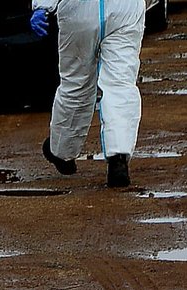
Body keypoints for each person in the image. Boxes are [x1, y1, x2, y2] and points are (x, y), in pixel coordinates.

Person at [30, 0, 145, 187]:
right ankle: (118, 156)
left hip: (79, 12)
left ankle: (62, 151)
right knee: (121, 83)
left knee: (76, 84)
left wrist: (42, 6)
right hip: (125, 11)